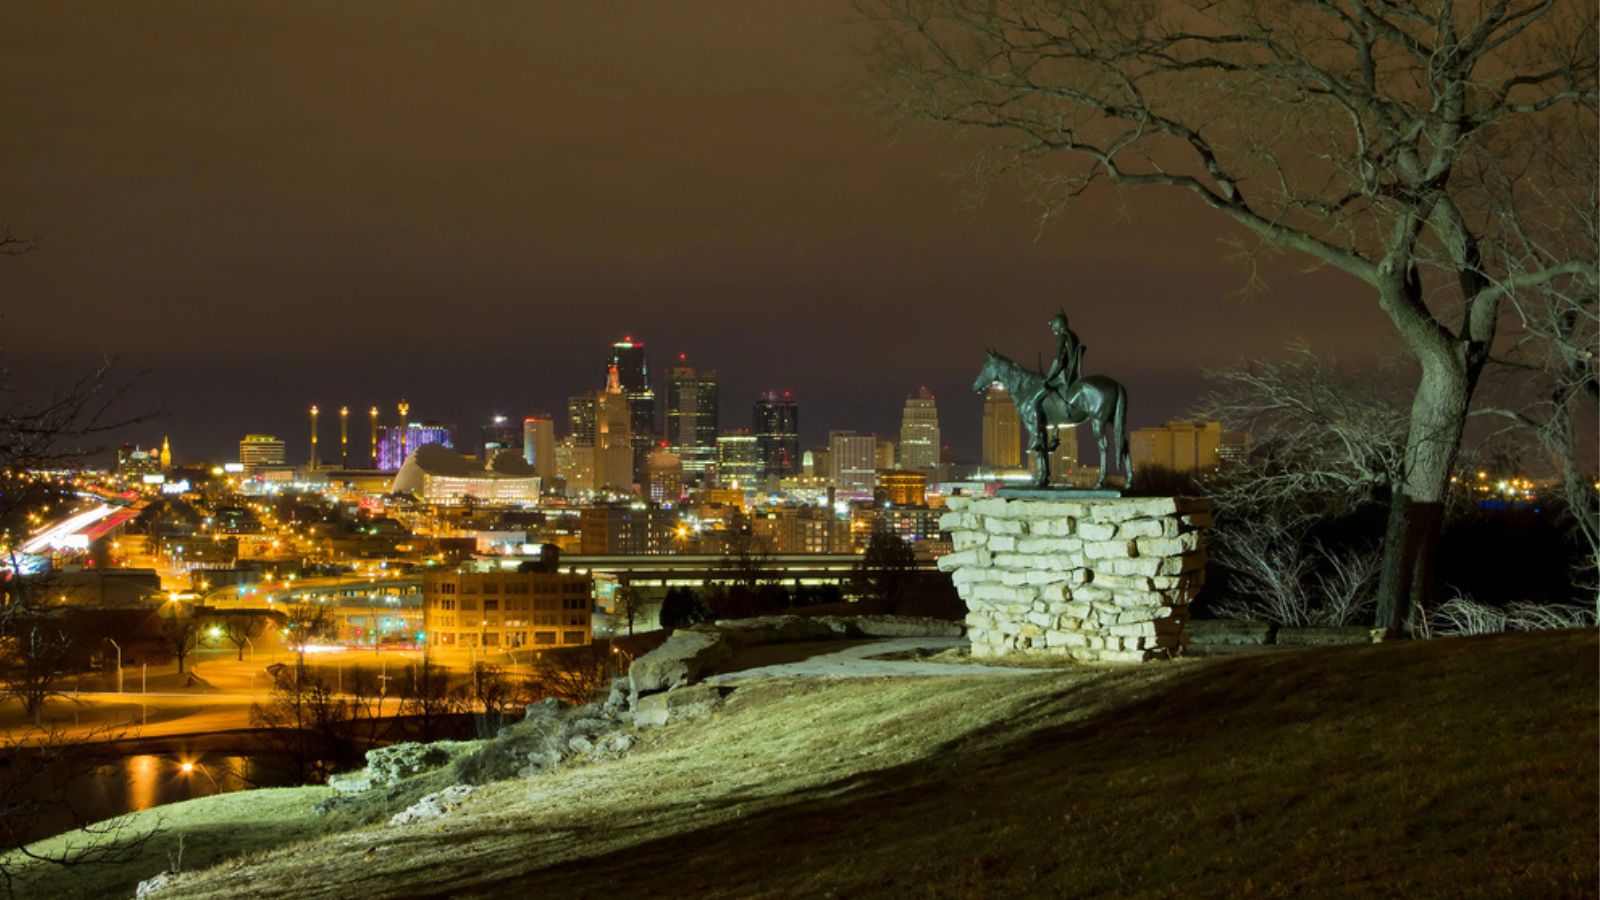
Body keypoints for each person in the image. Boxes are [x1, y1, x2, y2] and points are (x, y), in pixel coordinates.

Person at [1029, 312, 1084, 454]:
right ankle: (1054, 434)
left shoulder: (1062, 337)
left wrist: (1048, 377)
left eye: (1053, 325)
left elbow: (1058, 361)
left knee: (1037, 400)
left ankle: (1038, 438)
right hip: (1074, 376)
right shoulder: (1073, 336)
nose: (1052, 329)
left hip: (1063, 377)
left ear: (1058, 324)